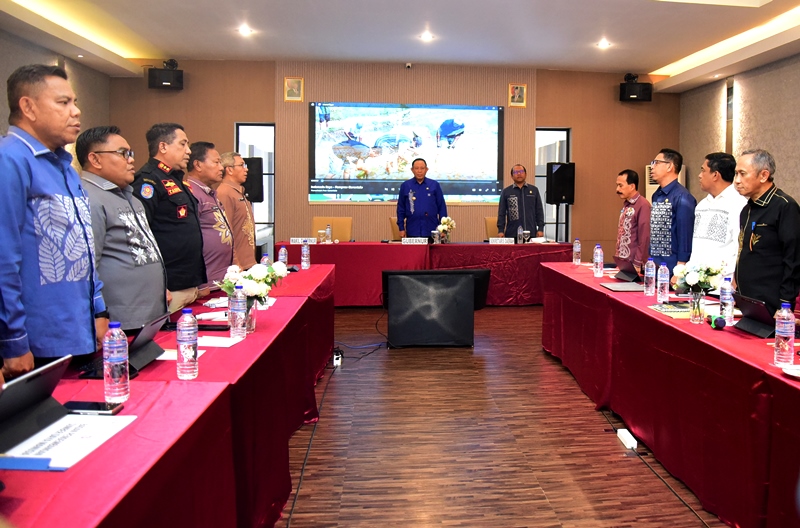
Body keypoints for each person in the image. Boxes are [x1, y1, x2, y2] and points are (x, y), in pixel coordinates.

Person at [0, 64, 107, 378]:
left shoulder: (64, 167)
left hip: (77, 332)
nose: (76, 111)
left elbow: (84, 248)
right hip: (35, 344)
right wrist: (13, 341)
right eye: (63, 102)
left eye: (75, 102)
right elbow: (3, 257)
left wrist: (98, 309)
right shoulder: (10, 160)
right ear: (28, 107)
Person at [77, 126, 169, 330]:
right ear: (95, 159)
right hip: (118, 322)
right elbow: (86, 268)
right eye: (123, 153)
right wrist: (98, 313)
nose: (131, 160)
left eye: (130, 153)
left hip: (150, 315)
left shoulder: (131, 197)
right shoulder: (88, 198)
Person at [132, 123, 206, 313]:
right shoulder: (148, 180)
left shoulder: (176, 179)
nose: (188, 151)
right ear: (163, 147)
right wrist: (155, 284)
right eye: (183, 144)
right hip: (168, 287)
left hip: (189, 283)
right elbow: (140, 236)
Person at [733, 149, 800, 314]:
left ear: (763, 175)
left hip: (773, 304)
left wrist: (785, 304)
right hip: (747, 300)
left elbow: (793, 259)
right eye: (736, 174)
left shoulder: (785, 206)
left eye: (742, 174)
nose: (737, 181)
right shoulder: (747, 210)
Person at [689, 152, 747, 277]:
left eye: (703, 171)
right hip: (698, 279)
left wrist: (735, 277)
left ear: (715, 175)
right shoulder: (701, 205)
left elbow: (740, 247)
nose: (699, 176)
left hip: (724, 281)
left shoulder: (739, 204)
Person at [186, 142, 233, 289]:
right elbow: (188, 241)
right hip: (205, 284)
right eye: (216, 162)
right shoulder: (191, 193)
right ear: (198, 165)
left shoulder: (209, 193)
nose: (221, 167)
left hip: (221, 280)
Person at [649, 148, 696, 277]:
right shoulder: (656, 195)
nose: (652, 167)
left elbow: (685, 234)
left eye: (656, 163)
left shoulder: (682, 197)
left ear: (669, 166)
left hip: (672, 268)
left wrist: (680, 268)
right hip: (655, 265)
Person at [217, 152, 257, 269]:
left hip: (248, 262)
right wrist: (236, 263)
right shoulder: (224, 193)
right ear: (229, 170)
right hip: (238, 266)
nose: (246, 169)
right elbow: (225, 233)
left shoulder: (238, 192)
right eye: (241, 165)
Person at [396, 158, 447, 238]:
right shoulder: (406, 186)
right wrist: (401, 228)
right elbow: (401, 208)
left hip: (432, 229)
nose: (419, 171)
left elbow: (442, 207)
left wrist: (443, 228)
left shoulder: (434, 185)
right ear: (412, 170)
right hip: (412, 229)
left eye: (422, 168)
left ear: (426, 169)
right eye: (416, 168)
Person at [614, 169, 651, 274]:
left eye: (620, 185)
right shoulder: (627, 204)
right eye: (617, 185)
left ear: (632, 186)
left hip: (635, 264)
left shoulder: (643, 205)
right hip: (623, 261)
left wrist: (637, 262)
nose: (617, 189)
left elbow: (645, 236)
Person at [497, 164, 545, 238]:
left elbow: (539, 211)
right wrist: (501, 230)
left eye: (521, 172)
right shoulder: (506, 192)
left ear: (525, 174)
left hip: (531, 232)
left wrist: (540, 228)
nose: (519, 174)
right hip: (512, 233)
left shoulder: (534, 190)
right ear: (512, 176)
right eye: (516, 172)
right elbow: (501, 213)